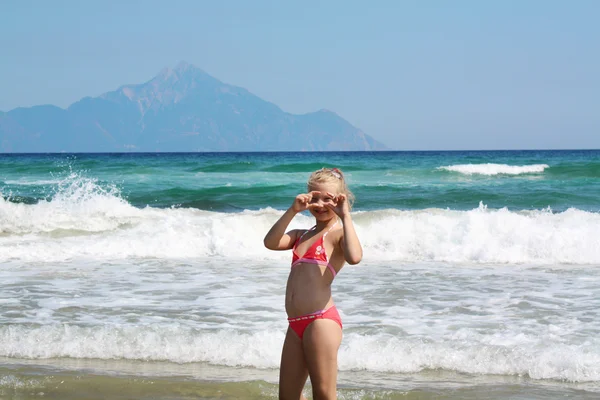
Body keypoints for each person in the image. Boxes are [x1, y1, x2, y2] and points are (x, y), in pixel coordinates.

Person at [263, 167, 363, 400]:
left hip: (320, 321)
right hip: (295, 324)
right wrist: (292, 210)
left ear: (340, 200)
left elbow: (355, 257)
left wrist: (345, 216)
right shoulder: (301, 234)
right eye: (314, 198)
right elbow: (270, 242)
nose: (319, 204)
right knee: (287, 396)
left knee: (324, 394)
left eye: (327, 199)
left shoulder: (337, 234)